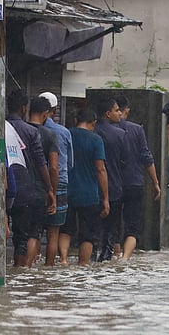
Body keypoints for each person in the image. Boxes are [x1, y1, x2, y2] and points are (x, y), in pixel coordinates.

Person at [6, 88, 55, 267]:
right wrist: (50, 189)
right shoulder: (30, 131)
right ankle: (21, 272)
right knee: (23, 237)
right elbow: (42, 164)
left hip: (1, 189)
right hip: (25, 191)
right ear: (24, 108)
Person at [114, 94, 162, 259]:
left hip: (113, 184)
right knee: (132, 227)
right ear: (126, 110)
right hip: (134, 184)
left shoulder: (104, 129)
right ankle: (125, 259)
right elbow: (147, 158)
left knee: (113, 224)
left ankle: (115, 255)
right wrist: (155, 182)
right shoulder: (137, 130)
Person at [64, 107, 110, 266]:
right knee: (88, 234)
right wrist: (105, 198)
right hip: (89, 194)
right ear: (93, 123)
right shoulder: (96, 140)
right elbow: (101, 169)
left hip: (66, 191)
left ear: (76, 120)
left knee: (65, 230)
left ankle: (63, 260)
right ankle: (82, 265)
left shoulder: (66, 135)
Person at [38, 92, 72, 266]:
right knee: (53, 233)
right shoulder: (63, 132)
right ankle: (48, 271)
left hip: (35, 184)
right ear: (54, 110)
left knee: (34, 232)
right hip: (58, 184)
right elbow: (64, 164)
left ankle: (29, 268)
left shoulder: (30, 129)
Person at [28, 96, 62, 264]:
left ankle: (18, 268)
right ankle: (27, 269)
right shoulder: (49, 135)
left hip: (18, 187)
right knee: (34, 234)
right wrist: (52, 192)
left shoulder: (17, 129)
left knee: (20, 234)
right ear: (46, 114)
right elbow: (54, 168)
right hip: (39, 189)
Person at [94, 96, 129, 261]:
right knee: (111, 229)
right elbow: (125, 161)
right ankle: (106, 260)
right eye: (116, 110)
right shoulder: (120, 134)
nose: (120, 114)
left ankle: (90, 258)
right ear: (108, 114)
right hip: (114, 187)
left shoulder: (91, 132)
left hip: (92, 189)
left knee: (91, 231)